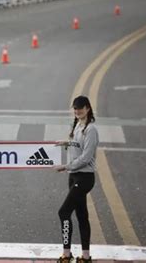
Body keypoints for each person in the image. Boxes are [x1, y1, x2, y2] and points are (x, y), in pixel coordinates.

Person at [53, 95, 99, 263]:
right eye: (75, 108)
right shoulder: (78, 125)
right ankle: (85, 257)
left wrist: (65, 166)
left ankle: (66, 255)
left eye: (80, 108)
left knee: (64, 212)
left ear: (87, 108)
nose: (77, 111)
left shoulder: (91, 129)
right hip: (74, 177)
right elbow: (77, 146)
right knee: (81, 215)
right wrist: (65, 143)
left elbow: (86, 158)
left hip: (85, 177)